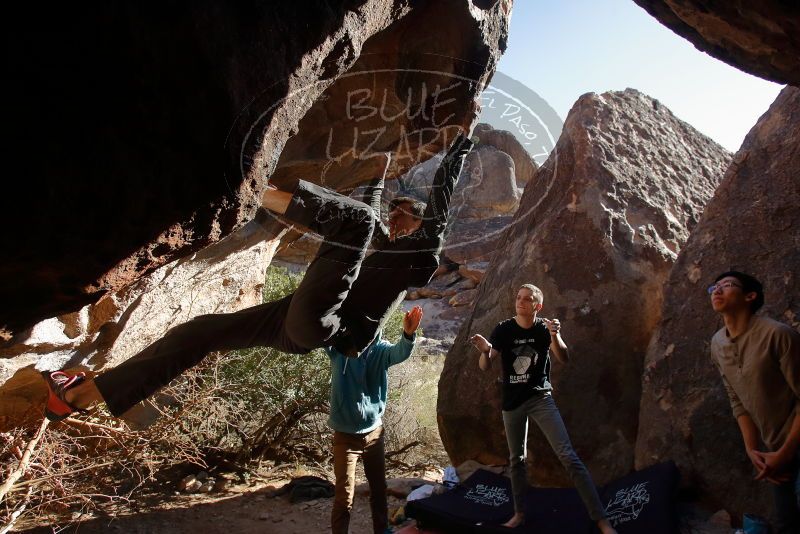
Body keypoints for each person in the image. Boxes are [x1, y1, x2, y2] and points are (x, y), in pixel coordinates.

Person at [41, 131, 474, 422]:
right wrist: (379, 180)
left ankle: (244, 188)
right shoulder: (386, 240)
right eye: (396, 216)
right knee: (199, 332)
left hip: (324, 324)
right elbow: (374, 212)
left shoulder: (424, 252)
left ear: (422, 227)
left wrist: (459, 149)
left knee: (356, 221)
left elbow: (438, 201)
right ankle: (77, 398)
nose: (396, 222)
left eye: (405, 218)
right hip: (293, 324)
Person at [470, 284, 616, 533]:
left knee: (568, 455)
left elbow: (564, 357)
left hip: (540, 399)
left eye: (527, 299)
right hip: (512, 403)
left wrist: (555, 335)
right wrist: (484, 351)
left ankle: (601, 519)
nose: (521, 302)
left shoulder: (543, 329)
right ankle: (519, 514)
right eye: (518, 298)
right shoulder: (504, 329)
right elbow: (486, 365)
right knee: (517, 460)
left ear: (538, 306)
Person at [708, 271, 799, 533]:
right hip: (773, 449)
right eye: (714, 287)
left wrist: (785, 453)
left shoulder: (778, 335)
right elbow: (737, 399)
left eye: (727, 286)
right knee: (786, 523)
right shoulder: (717, 343)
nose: (717, 291)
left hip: (791, 444)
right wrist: (752, 450)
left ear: (750, 296)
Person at [328, 304, 423, 534]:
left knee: (378, 491)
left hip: (373, 433)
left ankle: (381, 530)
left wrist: (408, 334)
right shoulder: (340, 349)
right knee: (344, 495)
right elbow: (321, 336)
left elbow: (400, 352)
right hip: (345, 435)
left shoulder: (380, 351)